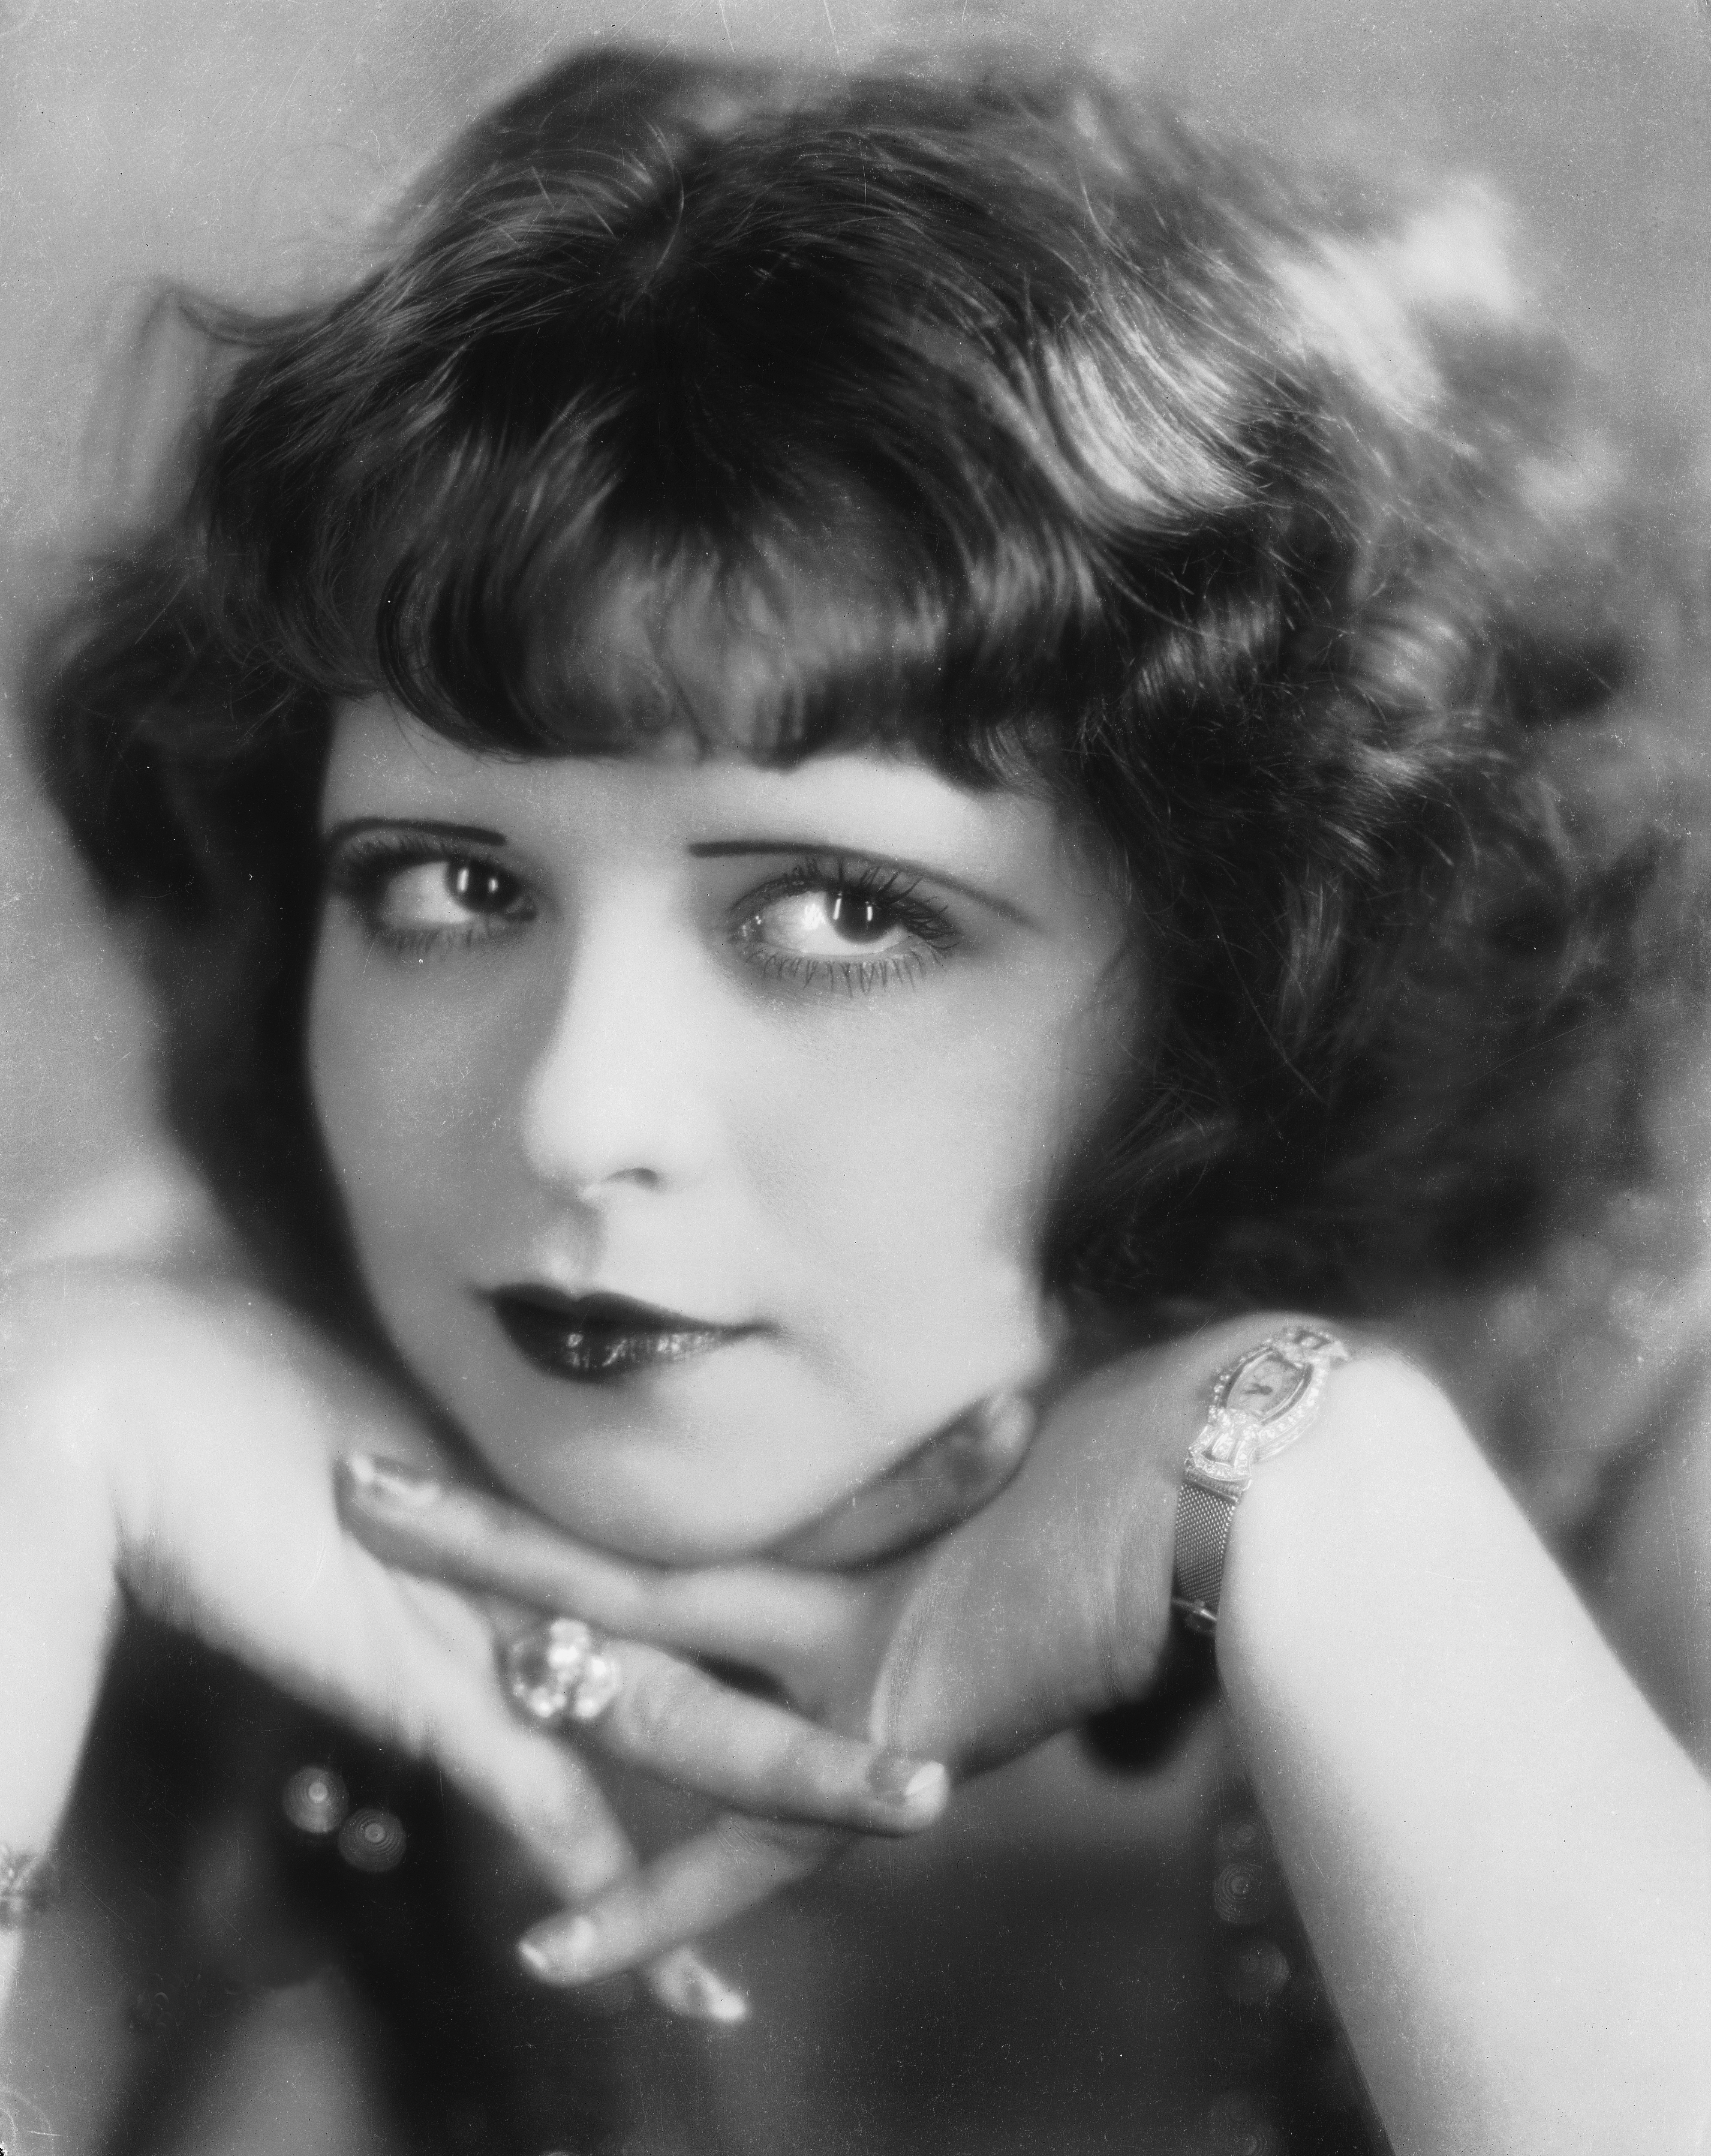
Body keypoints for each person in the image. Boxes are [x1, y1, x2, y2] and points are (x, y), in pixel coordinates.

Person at [2, 43, 1709, 2156]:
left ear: (1238, 959)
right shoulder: (156, 1439)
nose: (572, 1118)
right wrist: (31, 1457)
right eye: (450, 883)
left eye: (833, 912)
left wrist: (1325, 1501)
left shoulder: (1630, 1452)